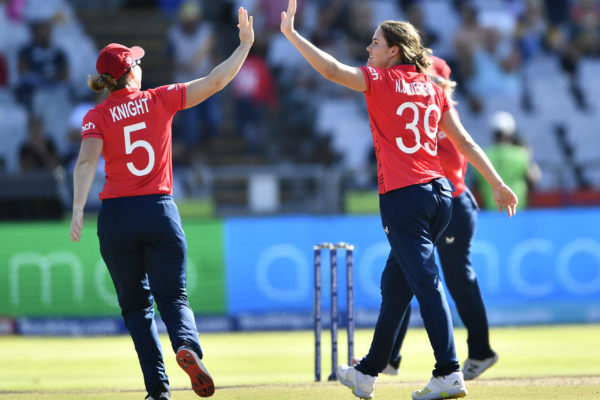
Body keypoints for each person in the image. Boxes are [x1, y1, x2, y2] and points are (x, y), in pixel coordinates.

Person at [280, 1, 518, 399]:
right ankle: (368, 371)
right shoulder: (432, 86)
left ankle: (448, 371)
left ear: (393, 50)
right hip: (441, 195)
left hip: (404, 196)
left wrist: (293, 35)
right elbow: (464, 141)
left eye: (375, 43)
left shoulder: (380, 80)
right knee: (396, 286)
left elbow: (329, 70)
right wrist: (495, 182)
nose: (368, 50)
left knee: (426, 283)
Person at [69, 7, 254, 400]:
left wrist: (78, 209)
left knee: (137, 309)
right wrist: (244, 46)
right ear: (131, 72)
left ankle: (158, 390)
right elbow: (217, 80)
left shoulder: (97, 115)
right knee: (174, 297)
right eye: (136, 62)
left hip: (116, 217)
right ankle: (186, 346)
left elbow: (86, 162)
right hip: (158, 210)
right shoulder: (160, 98)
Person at [381, 56, 498, 382]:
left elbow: (458, 143)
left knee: (455, 278)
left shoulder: (437, 111)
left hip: (452, 205)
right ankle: (389, 357)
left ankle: (480, 351)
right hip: (435, 204)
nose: (419, 82)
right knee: (408, 274)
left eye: (427, 76)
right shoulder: (427, 106)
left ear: (443, 82)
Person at [476, 111, 541, 210]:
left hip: (491, 211)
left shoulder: (482, 154)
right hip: (518, 210)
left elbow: (475, 183)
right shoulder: (521, 154)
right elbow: (534, 179)